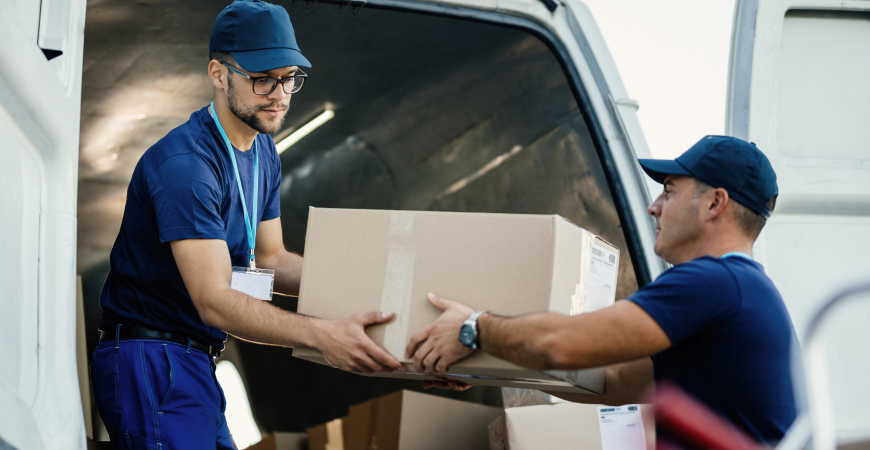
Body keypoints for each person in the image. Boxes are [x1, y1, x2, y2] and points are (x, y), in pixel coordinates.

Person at [91, 1, 402, 448]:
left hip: (196, 360)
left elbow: (272, 257)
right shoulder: (186, 166)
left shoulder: (263, 152)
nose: (280, 94)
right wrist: (322, 334)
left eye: (290, 78)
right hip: (152, 359)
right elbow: (215, 300)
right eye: (263, 79)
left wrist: (359, 287)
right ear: (219, 74)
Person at [406, 135, 798, 443]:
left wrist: (473, 328)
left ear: (714, 203)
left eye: (669, 190)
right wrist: (486, 368)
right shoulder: (739, 290)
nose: (654, 206)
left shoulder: (713, 282)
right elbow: (608, 383)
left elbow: (562, 343)